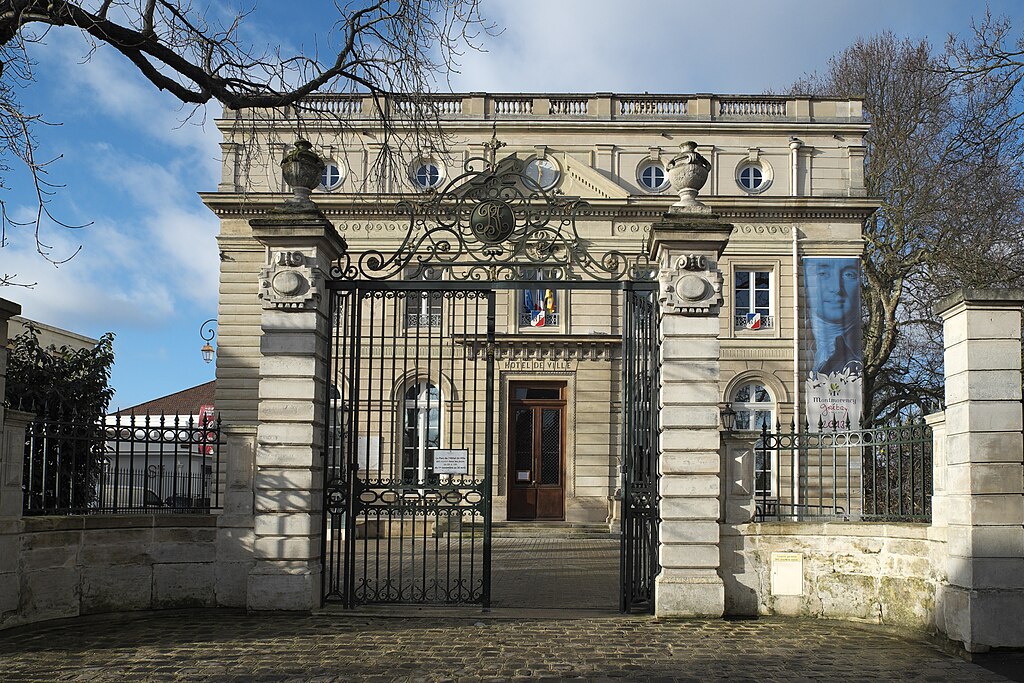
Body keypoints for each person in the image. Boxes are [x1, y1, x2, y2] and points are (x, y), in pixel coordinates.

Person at [805, 258, 862, 376]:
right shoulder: (798, 340)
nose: (836, 288)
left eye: (849, 274)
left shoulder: (859, 353)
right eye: (822, 273)